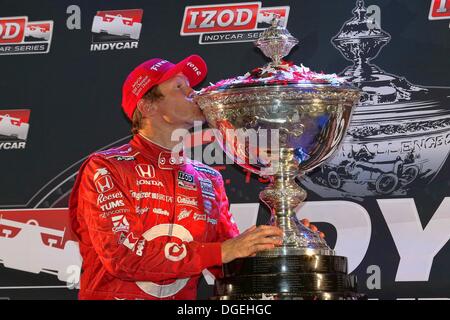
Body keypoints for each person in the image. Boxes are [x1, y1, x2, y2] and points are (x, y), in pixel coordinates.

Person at [69, 55, 321, 300]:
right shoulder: (106, 167)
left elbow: (230, 265)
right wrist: (223, 251)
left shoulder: (207, 178)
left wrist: (285, 247)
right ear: (148, 106)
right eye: (179, 87)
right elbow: (122, 256)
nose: (195, 92)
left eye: (192, 85)